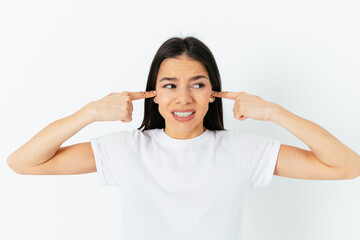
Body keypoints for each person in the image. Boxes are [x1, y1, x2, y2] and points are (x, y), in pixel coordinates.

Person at [7, 36, 360, 240]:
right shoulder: (126, 149)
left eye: (198, 84)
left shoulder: (242, 150)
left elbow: (346, 166)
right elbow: (23, 162)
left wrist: (274, 113)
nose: (183, 98)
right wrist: (90, 113)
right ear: (154, 94)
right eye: (169, 85)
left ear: (212, 93)